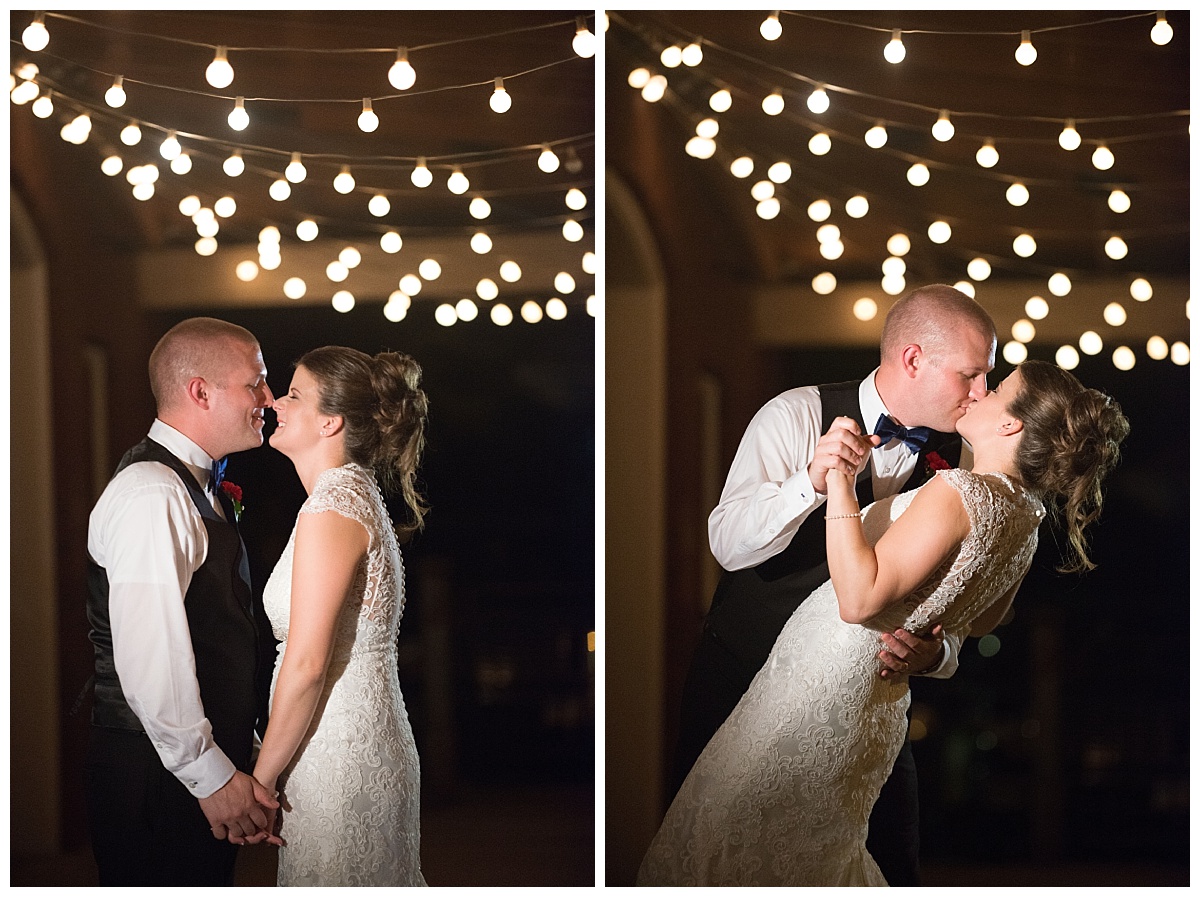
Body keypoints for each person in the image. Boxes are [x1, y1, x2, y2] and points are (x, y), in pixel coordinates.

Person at [639, 359, 1130, 885]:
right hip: (871, 701)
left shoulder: (959, 490)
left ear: (1011, 424)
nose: (982, 391)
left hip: (821, 686)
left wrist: (841, 482)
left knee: (737, 841)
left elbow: (858, 600)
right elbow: (985, 619)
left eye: (999, 387)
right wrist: (933, 644)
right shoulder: (1026, 516)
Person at [672, 283, 997, 884]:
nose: (982, 394)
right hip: (741, 680)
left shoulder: (968, 461)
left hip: (862, 705)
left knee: (891, 865)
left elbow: (962, 601)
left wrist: (937, 653)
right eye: (971, 375)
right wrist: (809, 485)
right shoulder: (794, 413)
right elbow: (727, 542)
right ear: (913, 359)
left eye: (987, 378)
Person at [85, 317, 280, 885]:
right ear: (200, 391)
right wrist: (212, 777)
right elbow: (151, 658)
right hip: (153, 770)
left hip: (178, 762)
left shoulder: (196, 487)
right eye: (257, 383)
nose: (269, 400)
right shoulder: (152, 492)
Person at [250, 345, 429, 886]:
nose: (277, 402)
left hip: (340, 749)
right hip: (356, 734)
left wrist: (260, 779)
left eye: (294, 394)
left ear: (330, 422)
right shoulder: (353, 496)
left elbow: (306, 663)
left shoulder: (333, 507)